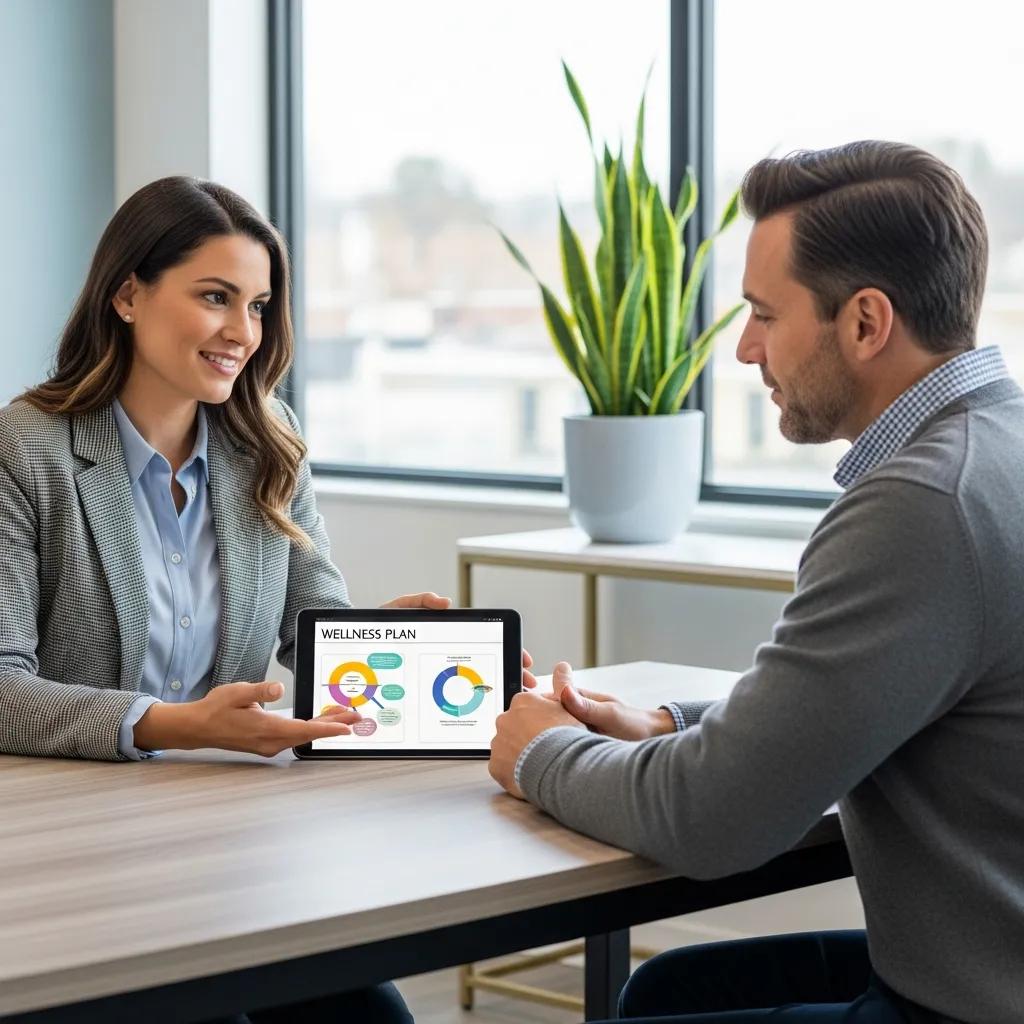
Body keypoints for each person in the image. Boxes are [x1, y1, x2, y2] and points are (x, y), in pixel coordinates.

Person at [490, 141, 1022, 1023]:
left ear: (864, 323)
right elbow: (885, 695)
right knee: (669, 988)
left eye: (765, 315)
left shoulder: (924, 505)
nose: (743, 349)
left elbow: (712, 819)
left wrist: (538, 754)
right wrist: (669, 723)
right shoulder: (988, 453)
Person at [0, 175, 535, 1024]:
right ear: (128, 293)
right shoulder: (27, 450)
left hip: (227, 840)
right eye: (216, 298)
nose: (241, 332)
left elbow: (312, 629)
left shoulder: (268, 447)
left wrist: (390, 643)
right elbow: (1, 688)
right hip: (71, 855)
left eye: (257, 306)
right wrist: (175, 725)